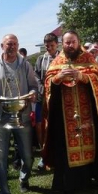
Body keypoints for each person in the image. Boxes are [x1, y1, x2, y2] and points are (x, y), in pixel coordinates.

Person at [42, 31, 98, 194]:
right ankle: (69, 182)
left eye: (73, 42)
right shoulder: (57, 62)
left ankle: (93, 176)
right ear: (63, 44)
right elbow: (48, 82)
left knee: (91, 144)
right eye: (67, 42)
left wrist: (82, 76)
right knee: (65, 146)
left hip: (88, 113)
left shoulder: (88, 59)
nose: (70, 45)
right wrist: (58, 78)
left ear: (79, 42)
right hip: (65, 115)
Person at [0, 34, 38, 194]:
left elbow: (34, 86)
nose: (12, 47)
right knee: (0, 157)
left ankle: (24, 177)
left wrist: (33, 94)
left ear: (18, 45)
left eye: (14, 44)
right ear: (2, 46)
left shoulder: (25, 65)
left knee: (27, 156)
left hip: (22, 116)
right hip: (1, 115)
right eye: (8, 44)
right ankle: (4, 191)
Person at [34, 33, 59, 168]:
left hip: (58, 97)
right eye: (47, 46)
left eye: (52, 45)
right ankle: (44, 155)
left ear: (57, 44)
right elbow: (36, 75)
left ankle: (58, 156)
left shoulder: (62, 58)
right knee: (41, 125)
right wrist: (41, 86)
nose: (49, 48)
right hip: (43, 97)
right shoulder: (40, 59)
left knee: (57, 125)